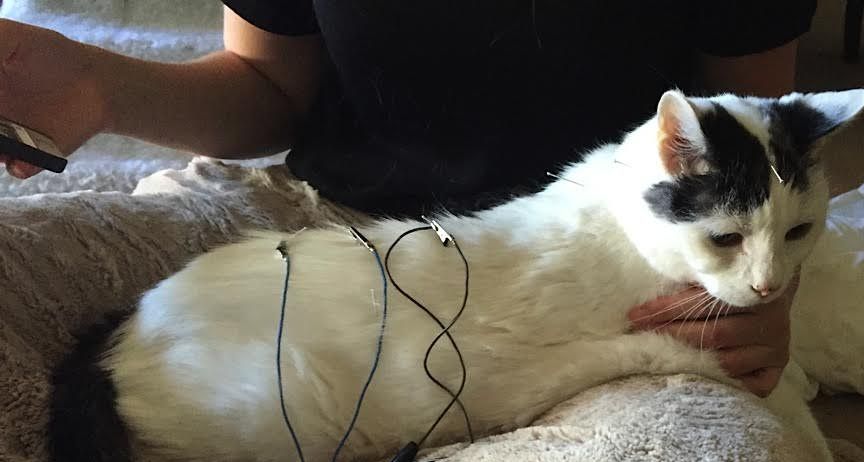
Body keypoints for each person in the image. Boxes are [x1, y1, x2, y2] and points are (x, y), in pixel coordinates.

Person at [0, 1, 817, 396]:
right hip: (316, 217)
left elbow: (770, 149)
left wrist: (772, 294)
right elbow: (266, 86)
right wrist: (95, 84)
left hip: (602, 284)